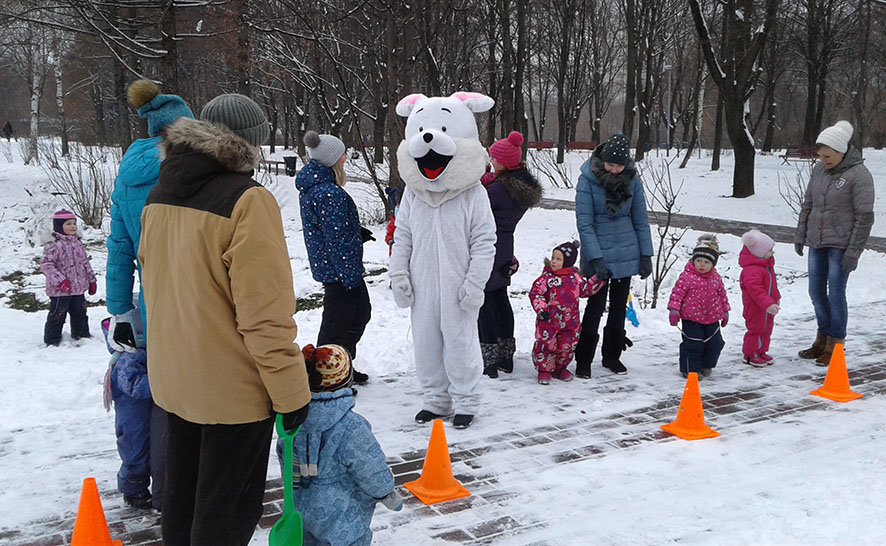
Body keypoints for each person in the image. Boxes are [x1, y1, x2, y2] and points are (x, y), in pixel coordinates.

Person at [138, 93, 311, 545]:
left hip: (176, 381)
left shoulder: (160, 193)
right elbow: (264, 313)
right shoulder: (247, 199)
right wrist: (292, 394)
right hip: (230, 394)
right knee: (224, 517)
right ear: (250, 145)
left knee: (182, 503)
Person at [105, 78, 193, 512]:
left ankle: (147, 481)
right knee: (180, 398)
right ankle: (176, 489)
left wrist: (120, 309)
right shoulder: (182, 171)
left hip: (149, 301)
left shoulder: (125, 176)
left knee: (151, 390)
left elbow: (118, 248)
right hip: (191, 300)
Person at [389, 92, 497, 429]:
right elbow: (402, 236)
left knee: (461, 344)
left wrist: (474, 282)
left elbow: (484, 242)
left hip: (458, 286)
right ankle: (435, 399)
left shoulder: (473, 194)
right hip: (423, 286)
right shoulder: (413, 194)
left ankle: (466, 400)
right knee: (426, 344)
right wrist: (398, 275)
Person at [276, 344, 402, 545]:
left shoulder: (293, 421)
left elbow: (286, 461)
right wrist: (386, 492)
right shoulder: (351, 426)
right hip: (343, 513)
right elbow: (369, 465)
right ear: (346, 381)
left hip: (300, 509)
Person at [794, 120, 875, 365]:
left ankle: (835, 343)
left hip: (841, 245)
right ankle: (821, 338)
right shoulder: (819, 171)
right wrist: (801, 234)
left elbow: (865, 217)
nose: (823, 160)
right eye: (820, 156)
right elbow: (808, 204)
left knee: (836, 293)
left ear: (841, 152)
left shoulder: (859, 175)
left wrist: (854, 252)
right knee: (816, 292)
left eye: (828, 156)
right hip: (817, 242)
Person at [573, 134, 654, 377]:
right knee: (595, 307)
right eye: (611, 165)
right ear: (603, 160)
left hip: (627, 252)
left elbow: (640, 219)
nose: (615, 170)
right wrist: (596, 259)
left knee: (619, 307)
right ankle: (584, 360)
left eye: (619, 166)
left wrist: (645, 255)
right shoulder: (587, 180)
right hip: (598, 253)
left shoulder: (633, 180)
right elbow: (584, 223)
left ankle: (612, 356)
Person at [296, 130, 372, 385]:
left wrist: (356, 233)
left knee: (359, 314)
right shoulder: (329, 193)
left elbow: (330, 231)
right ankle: (325, 378)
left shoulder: (318, 188)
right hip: (340, 272)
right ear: (331, 160)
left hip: (336, 267)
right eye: (342, 156)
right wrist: (350, 276)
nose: (345, 160)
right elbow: (337, 240)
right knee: (337, 326)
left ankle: (341, 367)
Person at [478, 131, 543, 378]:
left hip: (487, 247)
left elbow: (475, 204)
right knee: (500, 299)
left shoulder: (495, 190)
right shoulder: (518, 187)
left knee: (484, 302)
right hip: (505, 247)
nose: (490, 162)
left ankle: (489, 361)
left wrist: (483, 181)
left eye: (494, 158)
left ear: (504, 163)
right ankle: (506, 357)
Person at [529, 241, 605, 385]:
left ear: (568, 262)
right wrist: (541, 309)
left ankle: (560, 368)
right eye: (553, 258)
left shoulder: (574, 278)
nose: (554, 262)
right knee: (547, 344)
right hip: (549, 321)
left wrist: (599, 278)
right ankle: (544, 369)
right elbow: (536, 294)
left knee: (567, 346)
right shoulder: (546, 278)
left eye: (558, 259)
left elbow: (586, 289)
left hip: (571, 321)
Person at [100, 318, 156, 510]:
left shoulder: (138, 352)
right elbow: (134, 386)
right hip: (134, 421)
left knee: (150, 452)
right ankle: (133, 491)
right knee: (135, 456)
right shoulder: (129, 356)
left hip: (144, 416)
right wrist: (162, 381)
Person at [667, 235, 729, 379]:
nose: (702, 265)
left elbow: (722, 296)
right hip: (691, 318)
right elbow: (677, 294)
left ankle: (707, 365)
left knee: (716, 343)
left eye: (706, 262)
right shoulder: (687, 277)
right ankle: (691, 369)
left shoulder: (716, 278)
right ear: (693, 261)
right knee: (693, 344)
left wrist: (725, 311)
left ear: (713, 264)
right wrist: (674, 310)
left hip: (712, 318)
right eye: (699, 261)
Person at [40, 210, 97, 345]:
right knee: (58, 314)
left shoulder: (77, 243)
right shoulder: (53, 245)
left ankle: (81, 335)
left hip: (78, 288)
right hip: (61, 290)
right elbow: (46, 265)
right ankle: (52, 340)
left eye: (74, 223)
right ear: (59, 226)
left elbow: (85, 263)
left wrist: (92, 280)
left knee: (80, 312)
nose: (73, 227)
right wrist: (60, 281)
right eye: (68, 224)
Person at [739, 229, 781, 367]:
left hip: (767, 306)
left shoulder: (766, 267)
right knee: (756, 329)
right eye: (769, 250)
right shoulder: (752, 270)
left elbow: (772, 287)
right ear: (759, 252)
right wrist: (768, 303)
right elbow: (756, 290)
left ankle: (761, 350)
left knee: (766, 329)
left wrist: (775, 298)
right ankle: (750, 355)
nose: (772, 253)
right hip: (755, 307)